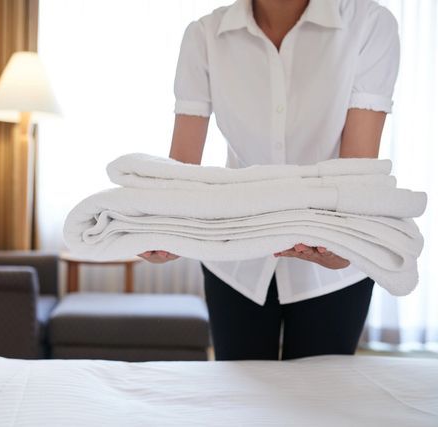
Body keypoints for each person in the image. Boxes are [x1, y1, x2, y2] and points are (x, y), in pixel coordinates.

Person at [138, 0, 400, 361]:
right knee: (241, 405)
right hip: (235, 263)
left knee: (319, 407)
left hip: (334, 266)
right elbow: (182, 170)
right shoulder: (204, 36)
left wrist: (346, 247)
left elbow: (357, 172)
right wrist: (161, 229)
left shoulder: (369, 24)